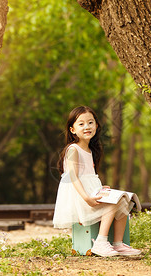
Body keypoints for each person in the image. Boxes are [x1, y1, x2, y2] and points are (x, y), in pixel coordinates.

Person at [53, 105, 141, 257]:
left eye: (90, 122)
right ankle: (100, 242)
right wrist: (87, 198)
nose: (87, 127)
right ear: (72, 129)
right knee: (112, 202)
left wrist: (100, 187)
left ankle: (118, 244)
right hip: (80, 197)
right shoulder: (73, 149)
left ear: (96, 125)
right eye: (81, 124)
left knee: (123, 200)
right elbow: (73, 177)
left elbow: (88, 176)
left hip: (90, 191)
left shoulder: (91, 150)